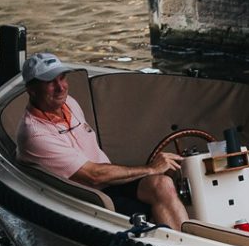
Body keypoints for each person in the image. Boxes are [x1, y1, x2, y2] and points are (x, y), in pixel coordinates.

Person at [13, 52, 192, 231]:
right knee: (152, 207)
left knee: (162, 184)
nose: (61, 87)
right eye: (50, 82)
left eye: (62, 78)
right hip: (86, 198)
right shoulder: (35, 134)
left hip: (108, 183)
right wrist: (151, 168)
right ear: (32, 90)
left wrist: (154, 172)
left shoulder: (68, 103)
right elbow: (93, 175)